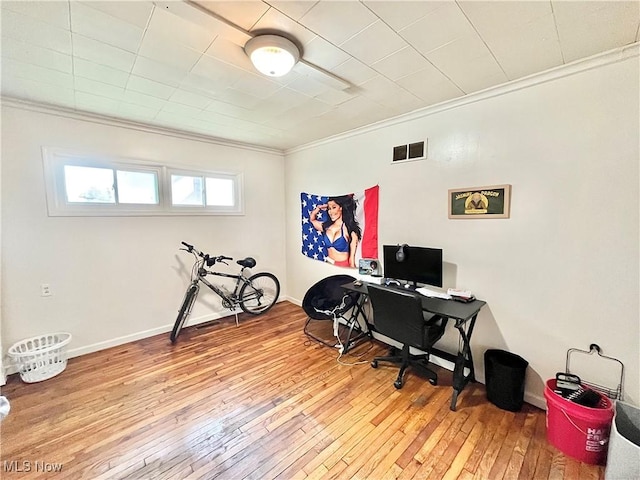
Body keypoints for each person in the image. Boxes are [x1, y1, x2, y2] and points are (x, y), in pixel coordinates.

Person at [310, 195, 361, 267]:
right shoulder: (326, 227)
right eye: (329, 208)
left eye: (334, 207)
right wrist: (318, 208)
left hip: (343, 267)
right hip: (328, 265)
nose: (330, 212)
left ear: (341, 208)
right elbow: (312, 220)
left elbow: (351, 261)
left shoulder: (350, 230)